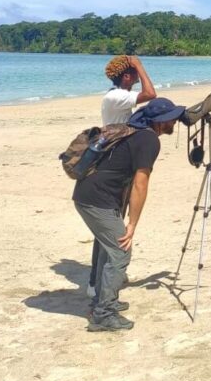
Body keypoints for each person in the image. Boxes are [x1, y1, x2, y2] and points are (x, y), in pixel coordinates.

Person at [74, 97, 186, 332]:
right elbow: (140, 184)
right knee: (121, 251)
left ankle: (104, 300)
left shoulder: (135, 132)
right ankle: (103, 314)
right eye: (171, 117)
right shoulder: (148, 140)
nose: (175, 121)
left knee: (108, 249)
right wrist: (132, 223)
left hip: (90, 195)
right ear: (160, 121)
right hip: (97, 200)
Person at [87, 55, 158, 298]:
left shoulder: (118, 96)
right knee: (109, 227)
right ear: (127, 75)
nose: (138, 78)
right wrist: (139, 64)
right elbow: (151, 94)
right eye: (134, 73)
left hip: (119, 160)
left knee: (112, 222)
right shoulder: (116, 96)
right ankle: (95, 284)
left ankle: (103, 278)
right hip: (112, 164)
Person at [102, 55, 157, 125]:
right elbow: (150, 94)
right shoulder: (117, 95)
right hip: (119, 136)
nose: (138, 73)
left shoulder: (118, 93)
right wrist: (138, 66)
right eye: (136, 71)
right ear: (127, 76)